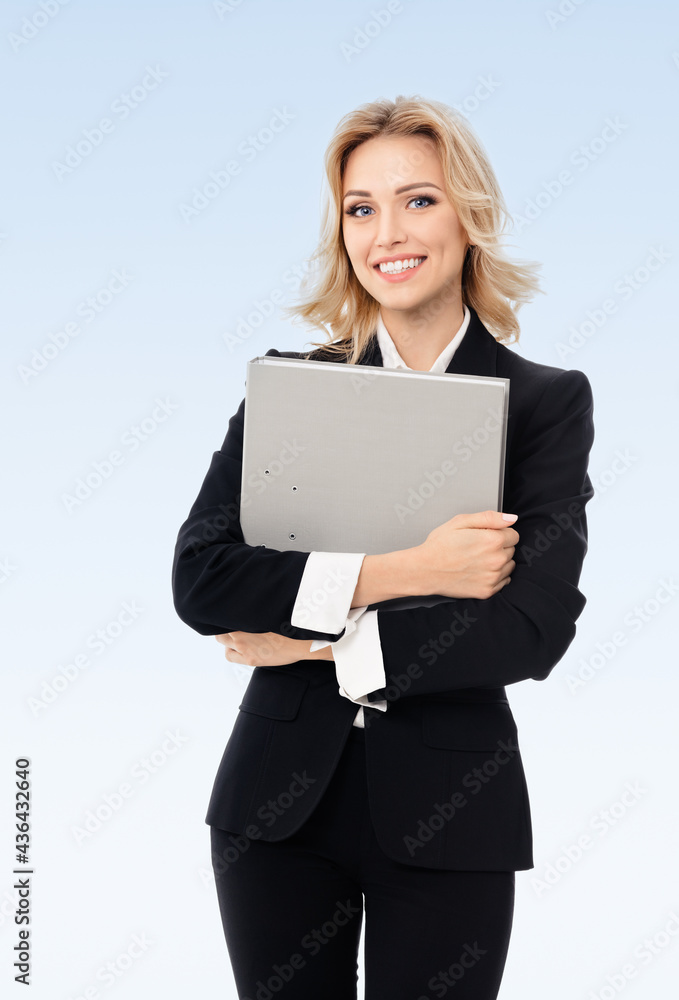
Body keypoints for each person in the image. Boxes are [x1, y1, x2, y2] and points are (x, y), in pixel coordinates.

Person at [171, 94, 595, 1000]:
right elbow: (203, 579)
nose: (386, 233)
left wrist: (314, 640)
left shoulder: (544, 405)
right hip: (273, 814)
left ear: (468, 217)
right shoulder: (288, 390)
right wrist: (410, 574)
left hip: (454, 813)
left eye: (418, 200)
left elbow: (531, 627)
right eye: (360, 208)